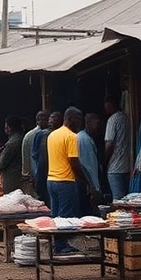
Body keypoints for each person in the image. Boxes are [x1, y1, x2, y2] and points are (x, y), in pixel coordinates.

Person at [47, 108, 99, 253]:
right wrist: (86, 182)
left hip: (51, 180)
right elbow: (74, 163)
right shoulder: (71, 137)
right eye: (78, 120)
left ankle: (55, 244)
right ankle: (62, 245)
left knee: (56, 215)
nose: (80, 124)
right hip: (65, 181)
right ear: (70, 119)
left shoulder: (53, 135)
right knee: (65, 216)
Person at [30, 111, 63, 205]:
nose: (52, 121)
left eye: (56, 119)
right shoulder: (41, 135)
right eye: (51, 118)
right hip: (42, 173)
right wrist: (35, 172)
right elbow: (34, 155)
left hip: (55, 173)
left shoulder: (62, 135)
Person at [103, 95, 132, 200]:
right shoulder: (126, 118)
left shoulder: (112, 120)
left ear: (110, 104)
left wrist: (103, 161)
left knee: (117, 199)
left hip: (115, 167)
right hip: (127, 165)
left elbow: (109, 143)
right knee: (126, 199)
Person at [77, 114, 104, 216]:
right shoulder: (84, 139)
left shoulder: (85, 137)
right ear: (88, 123)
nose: (99, 126)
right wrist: (95, 188)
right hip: (87, 185)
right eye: (96, 123)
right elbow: (89, 165)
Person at [22, 111, 51, 194]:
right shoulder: (37, 135)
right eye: (44, 120)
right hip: (37, 175)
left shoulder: (29, 135)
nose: (47, 122)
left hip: (34, 175)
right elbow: (31, 156)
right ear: (38, 121)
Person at [0, 116, 25, 194]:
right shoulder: (20, 137)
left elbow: (1, 164)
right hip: (18, 174)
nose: (5, 129)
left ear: (9, 128)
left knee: (11, 199)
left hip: (12, 177)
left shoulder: (12, 142)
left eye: (6, 126)